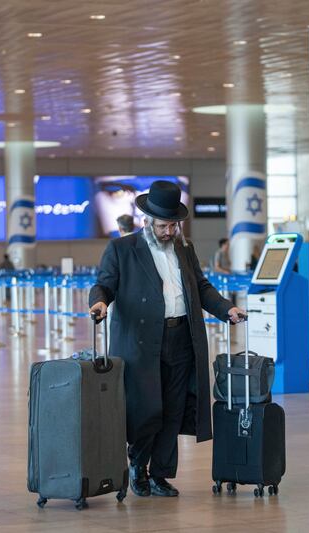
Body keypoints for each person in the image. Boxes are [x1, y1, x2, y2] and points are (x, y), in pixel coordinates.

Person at [88, 180, 245, 498]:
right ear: (147, 221)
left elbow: (201, 287)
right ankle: (138, 465)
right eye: (164, 225)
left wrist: (226, 309)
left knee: (173, 409)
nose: (169, 231)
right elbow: (105, 283)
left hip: (181, 338)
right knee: (148, 409)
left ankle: (160, 474)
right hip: (142, 343)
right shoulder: (122, 249)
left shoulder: (184, 249)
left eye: (174, 225)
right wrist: (100, 301)